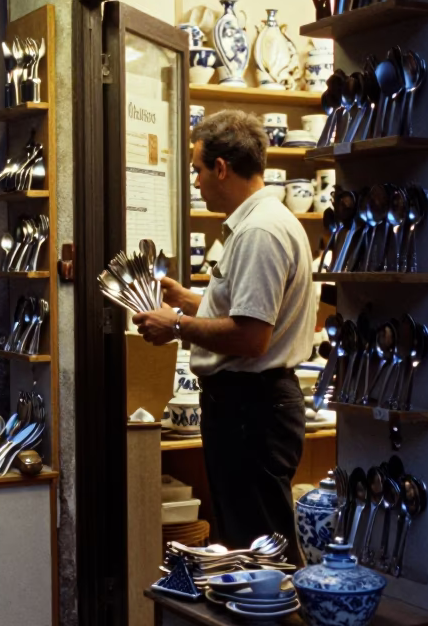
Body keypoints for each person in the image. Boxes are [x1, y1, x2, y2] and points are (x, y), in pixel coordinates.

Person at [132, 111, 314, 566]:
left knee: (259, 552)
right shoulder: (264, 221)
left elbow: (251, 336)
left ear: (221, 168)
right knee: (251, 541)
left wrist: (173, 325)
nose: (195, 181)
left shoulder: (258, 231)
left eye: (196, 169)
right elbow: (243, 313)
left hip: (251, 411)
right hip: (249, 409)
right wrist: (186, 300)